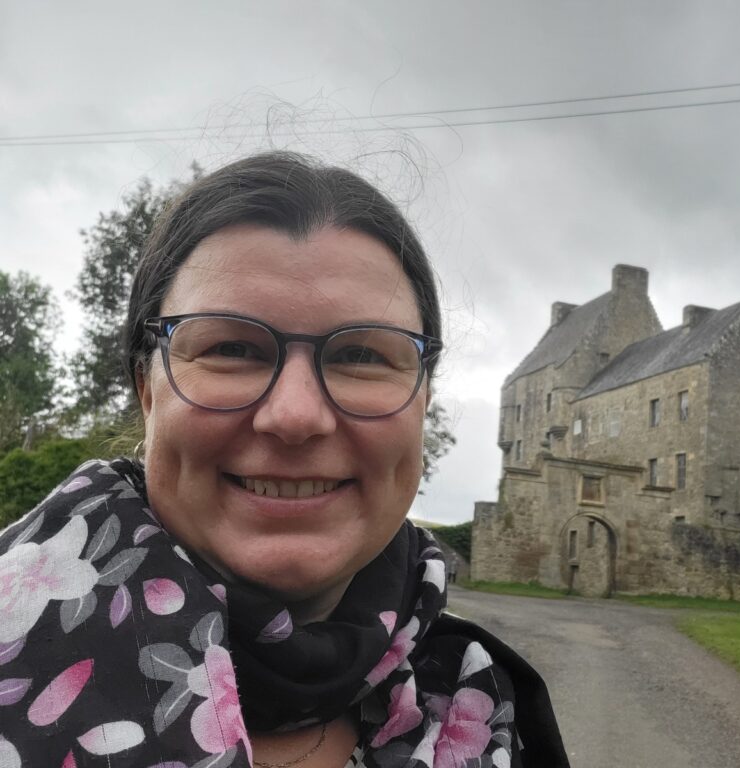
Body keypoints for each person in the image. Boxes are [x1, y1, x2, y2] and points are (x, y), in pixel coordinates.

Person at [0, 152, 568, 768]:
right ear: (146, 387)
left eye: (362, 357)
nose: (296, 416)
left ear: (422, 401)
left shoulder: (483, 701)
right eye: (232, 347)